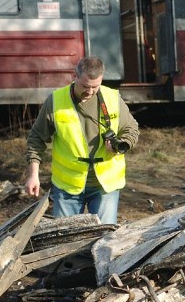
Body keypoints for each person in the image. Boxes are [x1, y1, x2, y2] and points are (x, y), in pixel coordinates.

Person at [24, 56, 139, 225]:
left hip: (105, 185)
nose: (90, 92)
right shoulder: (56, 101)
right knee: (64, 239)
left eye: (95, 87)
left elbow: (132, 128)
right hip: (67, 185)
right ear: (74, 76)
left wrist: (122, 144)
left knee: (103, 238)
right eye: (85, 86)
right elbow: (36, 139)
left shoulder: (113, 98)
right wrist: (33, 175)